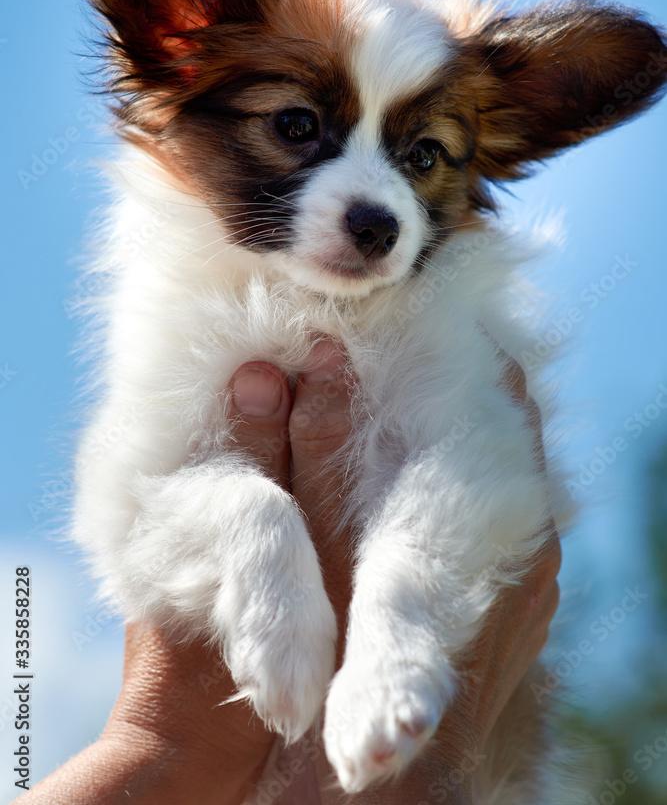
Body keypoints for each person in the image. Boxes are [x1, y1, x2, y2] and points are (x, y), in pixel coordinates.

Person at [18, 341, 561, 804]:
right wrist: (162, 742)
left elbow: (487, 476)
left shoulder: (453, 310)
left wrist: (398, 625)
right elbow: (124, 502)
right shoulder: (173, 292)